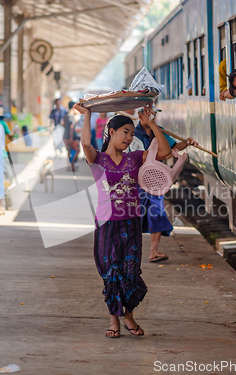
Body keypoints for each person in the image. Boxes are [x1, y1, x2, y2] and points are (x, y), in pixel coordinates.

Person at [74, 102, 173, 338]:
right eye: (125, 132)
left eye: (131, 133)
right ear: (111, 132)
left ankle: (128, 316)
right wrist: (87, 115)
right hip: (107, 223)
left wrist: (151, 124)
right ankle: (114, 320)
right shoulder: (97, 159)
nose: (129, 138)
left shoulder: (136, 158)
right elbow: (85, 143)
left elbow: (165, 152)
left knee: (130, 272)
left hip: (131, 222)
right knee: (111, 271)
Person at [127, 107, 199, 262]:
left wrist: (186, 143)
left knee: (156, 211)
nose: (152, 116)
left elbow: (171, 148)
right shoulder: (132, 134)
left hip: (155, 179)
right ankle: (130, 250)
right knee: (134, 214)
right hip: (137, 179)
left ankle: (154, 251)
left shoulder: (158, 131)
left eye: (154, 113)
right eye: (148, 114)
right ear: (140, 116)